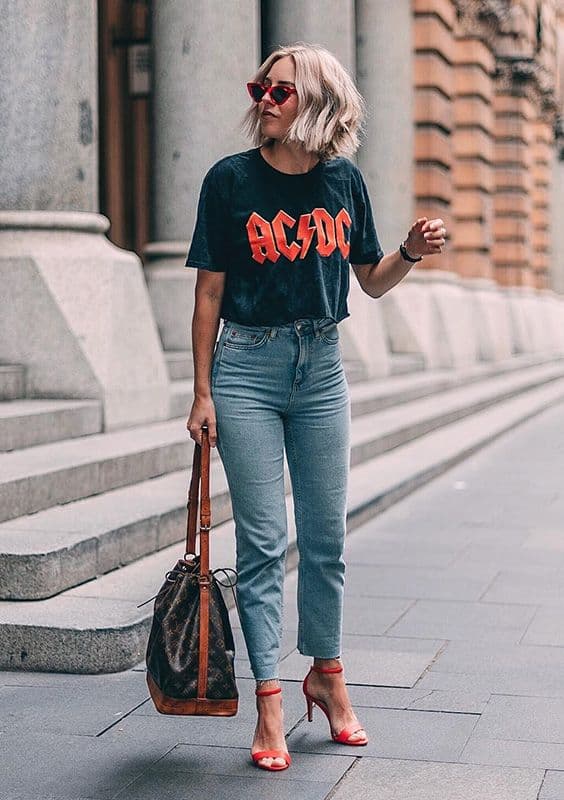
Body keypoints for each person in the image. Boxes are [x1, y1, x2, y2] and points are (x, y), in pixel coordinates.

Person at [184, 43, 446, 772]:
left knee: (327, 538)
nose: (265, 99)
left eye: (281, 90)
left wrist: (411, 250)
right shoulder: (230, 181)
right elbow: (208, 293)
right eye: (260, 87)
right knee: (265, 541)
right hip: (245, 370)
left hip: (322, 369)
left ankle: (327, 676)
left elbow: (371, 281)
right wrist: (202, 390)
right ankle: (269, 697)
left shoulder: (343, 183)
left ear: (318, 104)